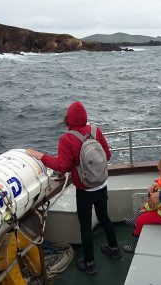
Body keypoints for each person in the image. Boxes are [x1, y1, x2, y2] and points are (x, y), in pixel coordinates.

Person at [26, 101, 121, 275]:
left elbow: (62, 165)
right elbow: (107, 154)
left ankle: (89, 263)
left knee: (85, 227)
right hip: (101, 184)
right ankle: (114, 249)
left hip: (84, 190)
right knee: (104, 217)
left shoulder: (67, 138)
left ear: (68, 119)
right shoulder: (95, 130)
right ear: (85, 116)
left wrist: (41, 156)